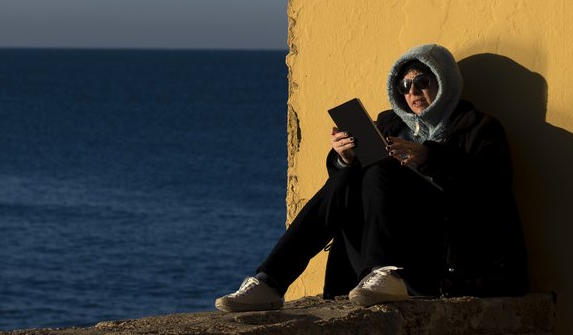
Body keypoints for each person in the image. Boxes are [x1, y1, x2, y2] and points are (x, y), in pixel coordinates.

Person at [217, 43, 527, 310]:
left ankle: (386, 271)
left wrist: (428, 156)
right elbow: (357, 186)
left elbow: (491, 186)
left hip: (444, 254)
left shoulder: (479, 128)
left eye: (422, 81)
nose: (413, 91)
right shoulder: (390, 124)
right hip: (387, 247)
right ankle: (270, 280)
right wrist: (344, 158)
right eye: (405, 86)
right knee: (344, 178)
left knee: (381, 168)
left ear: (444, 81)